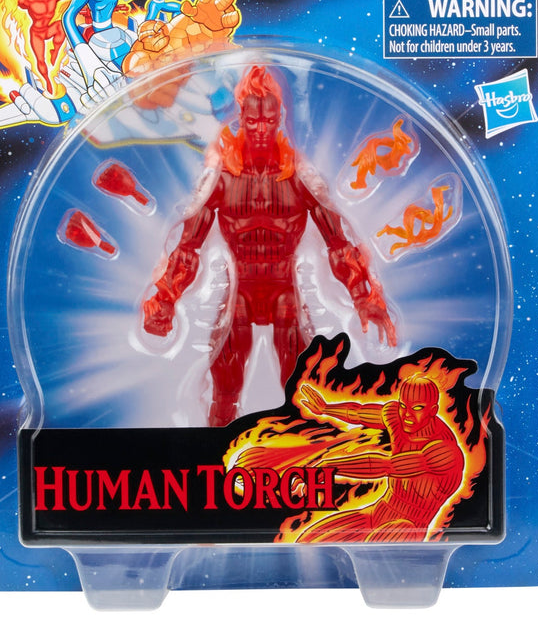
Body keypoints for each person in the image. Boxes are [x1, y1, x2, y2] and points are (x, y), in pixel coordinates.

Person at [142, 65, 396, 426]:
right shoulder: (223, 179)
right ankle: (214, 454)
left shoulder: (298, 179)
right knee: (224, 391)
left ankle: (305, 454)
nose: (261, 129)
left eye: (269, 120)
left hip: (284, 294)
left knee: (301, 390)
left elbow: (338, 243)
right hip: (239, 293)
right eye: (252, 121)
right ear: (241, 119)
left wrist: (363, 295)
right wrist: (165, 298)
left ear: (279, 119)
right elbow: (188, 246)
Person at [292, 374, 465, 542]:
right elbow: (357, 413)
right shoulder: (396, 416)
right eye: (403, 406)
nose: (407, 414)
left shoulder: (445, 452)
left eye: (417, 408)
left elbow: (386, 466)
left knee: (376, 547)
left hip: (408, 528)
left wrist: (327, 468)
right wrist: (325, 408)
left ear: (433, 410)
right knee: (308, 540)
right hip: (376, 513)